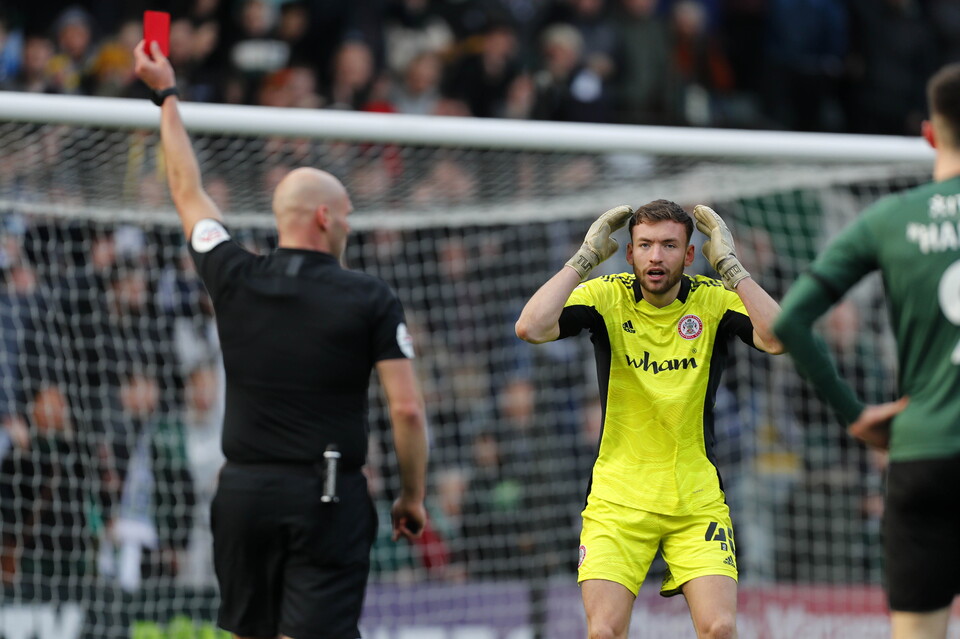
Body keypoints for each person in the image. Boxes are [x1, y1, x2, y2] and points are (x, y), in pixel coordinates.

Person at [132, 40, 429, 639]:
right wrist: (412, 496)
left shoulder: (234, 273)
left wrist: (166, 95)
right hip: (323, 492)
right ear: (323, 218)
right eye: (345, 214)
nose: (349, 223)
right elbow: (406, 408)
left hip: (241, 493)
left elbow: (187, 192)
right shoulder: (369, 297)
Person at [515, 200, 784, 639]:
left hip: (694, 501)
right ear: (630, 252)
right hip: (617, 501)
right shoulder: (606, 296)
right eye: (645, 245)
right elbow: (530, 327)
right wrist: (584, 260)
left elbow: (778, 339)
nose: (656, 256)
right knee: (604, 632)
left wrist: (731, 267)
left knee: (719, 628)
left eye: (668, 245)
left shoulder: (714, 301)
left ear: (690, 256)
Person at [773, 62, 960, 639]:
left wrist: (856, 417)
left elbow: (791, 320)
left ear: (929, 134)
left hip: (920, 450)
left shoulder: (888, 218)